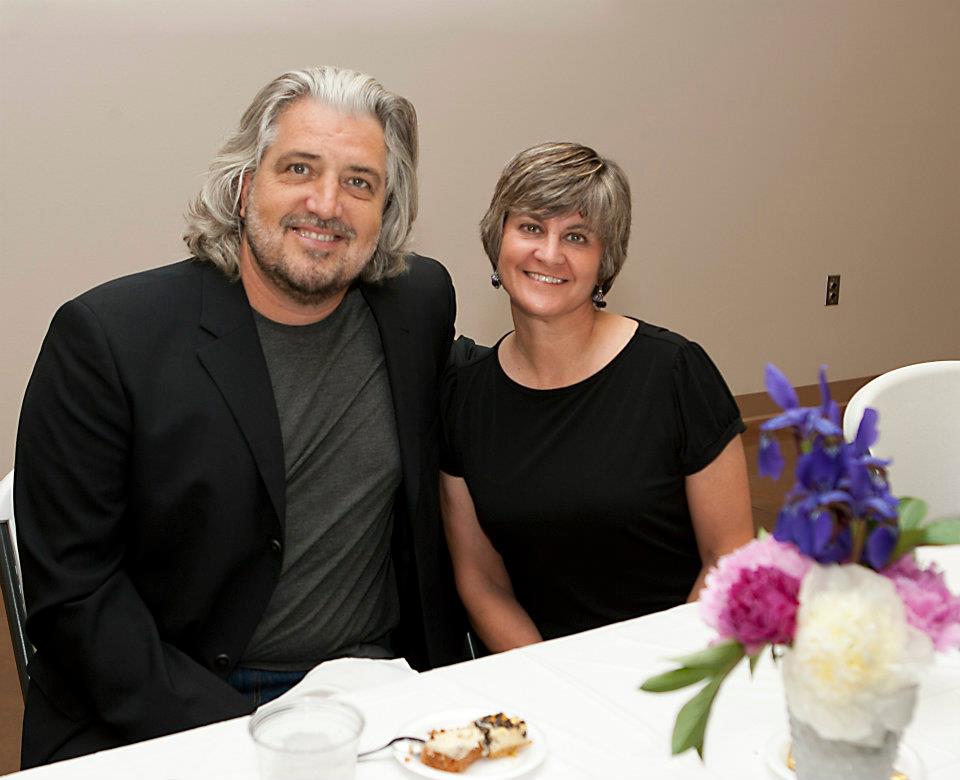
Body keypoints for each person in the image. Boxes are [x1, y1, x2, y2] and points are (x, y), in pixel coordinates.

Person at [14, 66, 464, 768]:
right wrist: (245, 735)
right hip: (178, 701)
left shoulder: (419, 305)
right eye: (299, 168)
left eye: (359, 182)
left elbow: (501, 407)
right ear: (246, 184)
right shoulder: (106, 339)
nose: (326, 203)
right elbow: (74, 597)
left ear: (387, 211)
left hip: (378, 695)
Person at [440, 142, 754, 652]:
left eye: (577, 237)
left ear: (604, 261)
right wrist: (550, 679)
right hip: (543, 681)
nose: (549, 253)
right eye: (531, 227)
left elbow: (730, 553)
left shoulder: (674, 371)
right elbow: (482, 582)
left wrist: (660, 676)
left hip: (677, 670)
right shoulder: (465, 398)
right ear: (497, 237)